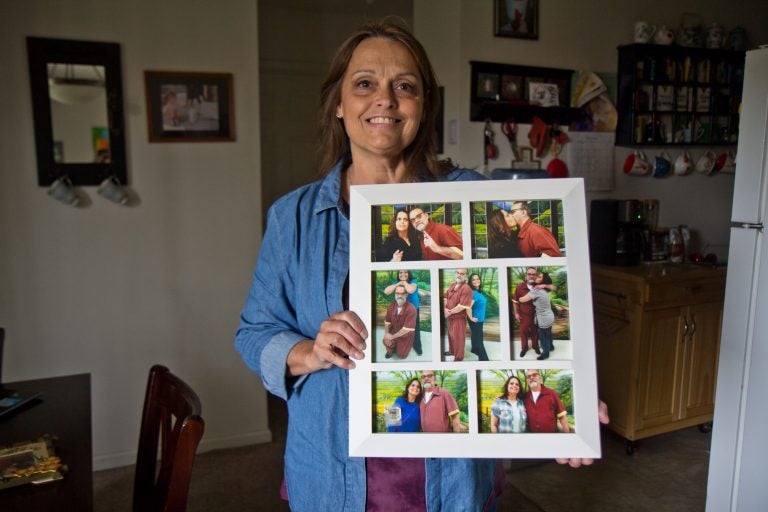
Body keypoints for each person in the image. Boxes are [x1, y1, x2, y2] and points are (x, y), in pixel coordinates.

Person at [235, 20, 602, 511]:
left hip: (450, 484)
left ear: (422, 105)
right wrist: (309, 351)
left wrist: (571, 402)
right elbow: (254, 331)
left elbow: (547, 287)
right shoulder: (293, 218)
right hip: (331, 474)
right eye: (365, 84)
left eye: (404, 87)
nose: (384, 99)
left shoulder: (477, 200)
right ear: (340, 104)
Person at [515, 272, 556, 361]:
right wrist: (544, 285)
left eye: (539, 277)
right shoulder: (544, 289)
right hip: (550, 315)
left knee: (543, 336)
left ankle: (545, 354)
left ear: (542, 280)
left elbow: (522, 299)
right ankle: (551, 347)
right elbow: (553, 287)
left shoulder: (536, 290)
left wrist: (519, 297)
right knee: (548, 332)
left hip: (544, 318)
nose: (536, 277)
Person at [383, 270, 422, 355]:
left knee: (415, 329)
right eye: (400, 272)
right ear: (398, 274)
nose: (403, 274)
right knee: (396, 328)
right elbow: (386, 291)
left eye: (405, 272)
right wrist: (397, 284)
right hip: (400, 308)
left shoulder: (413, 281)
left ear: (409, 274)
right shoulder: (396, 282)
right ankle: (391, 348)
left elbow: (410, 290)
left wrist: (403, 282)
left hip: (413, 309)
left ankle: (417, 347)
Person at [523, 369, 570, 433]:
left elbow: (562, 416)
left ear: (540, 377)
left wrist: (568, 436)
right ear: (527, 381)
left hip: (552, 437)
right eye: (528, 376)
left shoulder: (551, 394)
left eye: (534, 375)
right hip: (533, 438)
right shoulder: (525, 397)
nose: (531, 377)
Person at [443, 268, 473, 362]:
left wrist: (448, 312)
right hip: (450, 317)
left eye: (462, 274)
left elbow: (461, 306)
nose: (459, 275)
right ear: (455, 274)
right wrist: (444, 309)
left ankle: (459, 357)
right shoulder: (453, 285)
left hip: (459, 319)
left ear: (466, 276)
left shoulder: (466, 289)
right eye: (458, 273)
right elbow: (445, 297)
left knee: (458, 338)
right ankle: (452, 351)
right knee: (451, 336)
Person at [382, 284, 417, 359]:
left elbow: (406, 330)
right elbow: (387, 322)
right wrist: (387, 334)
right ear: (395, 294)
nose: (399, 296)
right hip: (394, 331)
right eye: (397, 293)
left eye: (402, 293)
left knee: (402, 355)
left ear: (406, 295)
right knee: (386, 340)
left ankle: (400, 348)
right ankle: (390, 351)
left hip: (405, 335)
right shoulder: (391, 306)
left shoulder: (411, 309)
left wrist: (392, 336)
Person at [512, 267, 541, 358]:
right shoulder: (520, 287)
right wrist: (516, 313)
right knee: (523, 332)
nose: (531, 276)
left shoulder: (538, 287)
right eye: (529, 274)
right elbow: (515, 301)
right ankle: (524, 348)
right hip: (523, 315)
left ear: (536, 276)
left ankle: (535, 347)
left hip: (535, 315)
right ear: (526, 276)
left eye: (533, 274)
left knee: (535, 332)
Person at [468, 272, 490, 361]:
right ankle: (484, 359)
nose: (476, 281)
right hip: (475, 320)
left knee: (475, 336)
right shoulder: (474, 293)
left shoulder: (478, 292)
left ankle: (474, 350)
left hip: (478, 319)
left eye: (477, 279)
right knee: (479, 340)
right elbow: (468, 307)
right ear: (470, 282)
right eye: (473, 279)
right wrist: (471, 318)